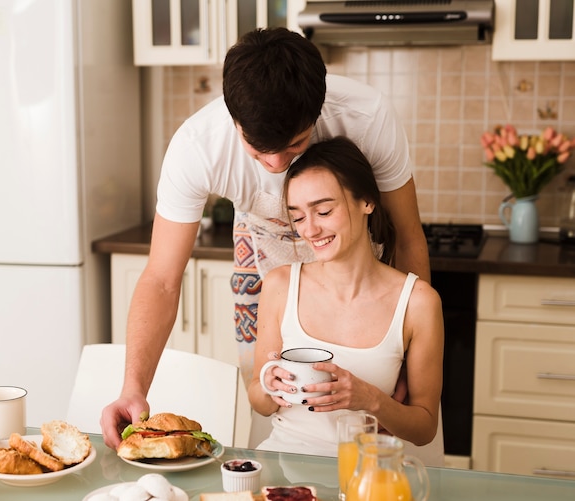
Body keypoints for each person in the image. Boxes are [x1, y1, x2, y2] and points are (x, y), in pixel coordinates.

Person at [100, 27, 430, 450]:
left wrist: (405, 364)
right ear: (232, 118)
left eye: (294, 145)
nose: (275, 165)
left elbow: (409, 235)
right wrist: (133, 387)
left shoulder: (367, 117)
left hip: (365, 269)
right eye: (257, 150)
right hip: (264, 261)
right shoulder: (199, 147)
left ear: (318, 112)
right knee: (272, 397)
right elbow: (162, 278)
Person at [249, 137, 444, 463]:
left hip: (367, 473)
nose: (310, 230)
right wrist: (270, 385)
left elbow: (424, 429)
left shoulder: (418, 302)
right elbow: (258, 399)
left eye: (323, 210)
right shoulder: (280, 284)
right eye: (297, 217)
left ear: (366, 201)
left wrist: (372, 400)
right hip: (283, 467)